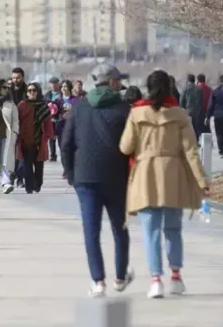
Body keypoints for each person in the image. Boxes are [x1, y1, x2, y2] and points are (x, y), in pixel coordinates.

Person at [119, 70, 209, 299]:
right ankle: (176, 277)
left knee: (150, 233)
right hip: (173, 175)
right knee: (173, 229)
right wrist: (202, 180)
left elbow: (125, 147)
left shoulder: (137, 113)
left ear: (148, 88)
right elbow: (191, 152)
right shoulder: (180, 115)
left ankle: (156, 280)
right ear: (170, 88)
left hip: (146, 175)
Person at [61, 64, 133, 297]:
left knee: (91, 231)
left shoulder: (80, 107)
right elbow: (133, 145)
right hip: (117, 178)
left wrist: (71, 174)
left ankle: (98, 281)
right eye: (118, 81)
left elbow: (66, 144)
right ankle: (120, 278)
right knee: (119, 229)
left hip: (86, 178)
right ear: (112, 82)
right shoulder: (124, 109)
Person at [16, 83, 54, 194]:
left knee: (39, 167)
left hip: (39, 141)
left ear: (38, 92)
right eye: (29, 90)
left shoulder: (43, 105)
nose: (32, 92)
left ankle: (37, 184)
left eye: (34, 90)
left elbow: (48, 122)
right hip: (25, 141)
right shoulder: (21, 105)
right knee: (27, 166)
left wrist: (48, 135)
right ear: (26, 93)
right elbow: (16, 121)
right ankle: (29, 187)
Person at [45, 77, 63, 162]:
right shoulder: (47, 94)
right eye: (52, 83)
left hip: (59, 118)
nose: (53, 85)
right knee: (51, 138)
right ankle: (53, 155)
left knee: (60, 137)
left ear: (58, 84)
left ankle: (63, 154)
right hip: (50, 119)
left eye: (55, 83)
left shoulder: (61, 94)